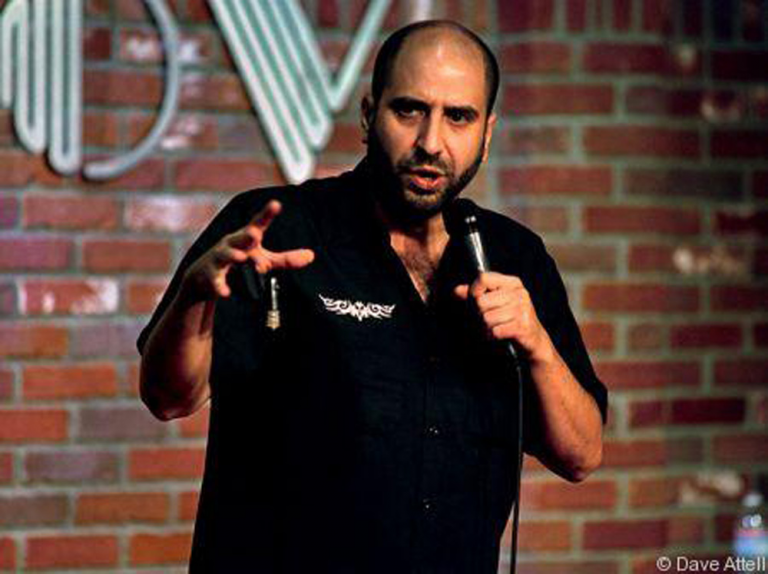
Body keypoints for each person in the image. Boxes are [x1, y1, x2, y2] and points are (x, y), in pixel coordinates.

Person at [137, 20, 608, 573]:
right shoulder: (274, 232)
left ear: (487, 133)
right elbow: (168, 398)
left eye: (458, 117)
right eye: (409, 110)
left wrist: (537, 346)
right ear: (368, 114)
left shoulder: (514, 255)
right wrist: (194, 299)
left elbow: (581, 455)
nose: (430, 142)